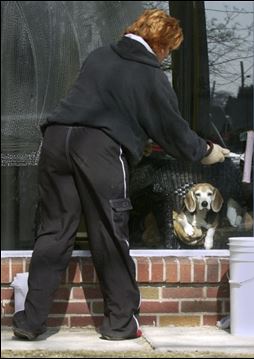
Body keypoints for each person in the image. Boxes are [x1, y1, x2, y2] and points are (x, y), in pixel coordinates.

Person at [12, 9, 230, 341]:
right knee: (110, 233)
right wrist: (206, 151)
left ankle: (30, 321)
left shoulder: (99, 57)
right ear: (159, 44)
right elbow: (171, 129)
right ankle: (119, 323)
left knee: (54, 232)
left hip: (56, 140)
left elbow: (110, 104)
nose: (166, 57)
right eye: (168, 50)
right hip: (98, 149)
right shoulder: (150, 74)